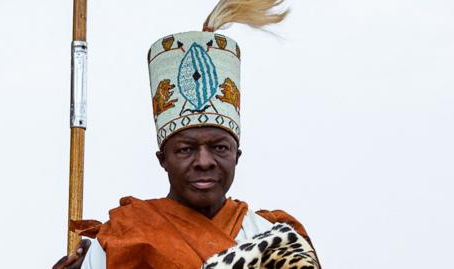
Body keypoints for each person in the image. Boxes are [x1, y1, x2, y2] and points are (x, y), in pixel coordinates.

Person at [53, 0, 321, 268]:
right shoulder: (121, 239)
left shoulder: (274, 237)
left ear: (236, 156)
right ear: (162, 159)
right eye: (185, 149)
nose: (204, 161)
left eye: (219, 147)